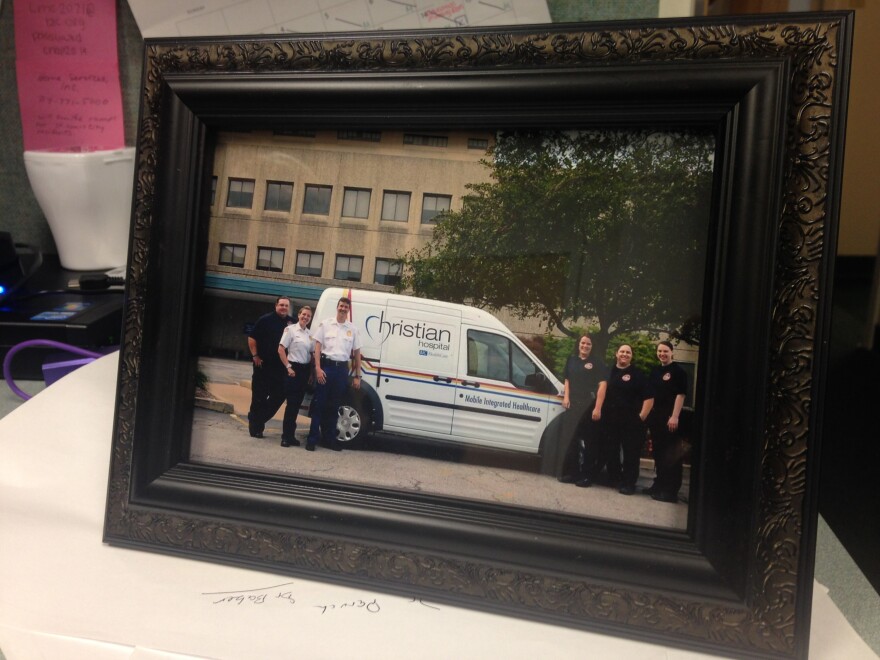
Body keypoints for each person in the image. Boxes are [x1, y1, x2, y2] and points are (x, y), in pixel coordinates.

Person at [306, 296, 362, 452]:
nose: (343, 308)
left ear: (348, 310)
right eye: (341, 306)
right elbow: (317, 347)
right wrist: (317, 368)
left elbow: (357, 354)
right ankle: (312, 439)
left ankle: (329, 440)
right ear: (337, 307)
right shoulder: (326, 325)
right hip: (327, 368)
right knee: (319, 405)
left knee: (334, 407)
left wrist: (358, 376)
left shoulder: (352, 329)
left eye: (346, 307)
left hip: (341, 371)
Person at [598, 344, 653, 495]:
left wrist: (640, 417)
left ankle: (629, 484)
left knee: (631, 454)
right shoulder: (608, 371)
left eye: (628, 352)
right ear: (616, 353)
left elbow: (649, 398)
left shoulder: (638, 374)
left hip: (632, 423)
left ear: (631, 356)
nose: (624, 354)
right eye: (622, 351)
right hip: (611, 421)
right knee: (612, 451)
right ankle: (615, 479)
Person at [557, 335, 607, 483]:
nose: (585, 346)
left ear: (592, 346)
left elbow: (602, 385)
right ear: (578, 344)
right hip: (573, 405)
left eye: (588, 344)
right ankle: (573, 474)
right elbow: (567, 380)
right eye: (583, 343)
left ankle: (586, 476)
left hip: (589, 406)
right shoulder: (571, 360)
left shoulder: (597, 363)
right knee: (572, 440)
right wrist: (566, 397)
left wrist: (597, 408)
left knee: (590, 442)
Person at [644, 341, 687, 503]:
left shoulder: (679, 372)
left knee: (671, 455)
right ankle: (659, 485)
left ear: (672, 352)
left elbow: (680, 395)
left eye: (665, 351)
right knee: (659, 453)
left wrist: (675, 416)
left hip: (671, 419)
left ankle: (670, 491)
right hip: (656, 419)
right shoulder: (655, 371)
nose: (662, 354)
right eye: (660, 351)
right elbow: (650, 395)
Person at [247, 296, 292, 438]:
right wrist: (255, 356)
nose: (284, 308)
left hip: (280, 368)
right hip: (263, 366)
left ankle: (256, 419)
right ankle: (256, 429)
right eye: (281, 305)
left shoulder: (292, 322)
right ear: (276, 306)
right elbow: (251, 338)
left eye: (286, 305)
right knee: (258, 397)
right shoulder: (265, 320)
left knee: (278, 396)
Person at [276, 305, 314, 448]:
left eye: (308, 316)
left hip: (304, 372)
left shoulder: (310, 335)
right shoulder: (290, 330)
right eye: (303, 314)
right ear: (299, 315)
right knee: (291, 405)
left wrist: (310, 373)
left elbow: (310, 355)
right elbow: (281, 349)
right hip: (293, 370)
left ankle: (291, 436)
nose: (305, 317)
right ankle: (285, 437)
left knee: (297, 405)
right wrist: (288, 366)